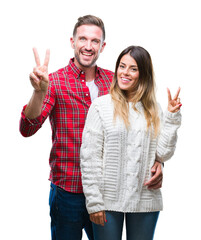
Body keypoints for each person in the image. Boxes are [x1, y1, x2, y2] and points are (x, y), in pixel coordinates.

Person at [19, 15, 163, 240]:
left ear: (102, 46)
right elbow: (27, 128)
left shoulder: (114, 81)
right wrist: (39, 92)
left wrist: (158, 161)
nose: (88, 46)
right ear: (72, 42)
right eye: (82, 39)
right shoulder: (55, 82)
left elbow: (142, 127)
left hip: (108, 194)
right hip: (69, 190)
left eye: (95, 41)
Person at [80, 45, 182, 240]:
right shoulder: (101, 106)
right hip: (107, 201)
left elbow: (162, 154)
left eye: (133, 68)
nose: (124, 73)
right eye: (122, 66)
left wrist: (171, 117)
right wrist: (94, 203)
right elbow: (89, 158)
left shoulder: (154, 109)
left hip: (145, 197)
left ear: (143, 74)